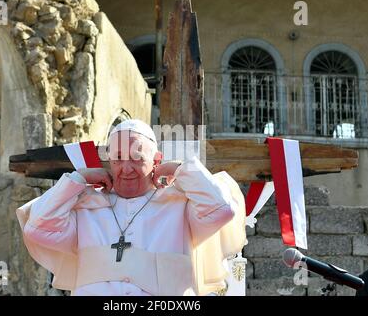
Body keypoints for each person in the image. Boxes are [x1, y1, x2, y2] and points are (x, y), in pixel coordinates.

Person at [16, 119, 246, 296]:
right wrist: (78, 178)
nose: (126, 168)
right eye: (117, 158)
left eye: (137, 158)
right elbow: (37, 229)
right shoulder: (86, 206)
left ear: (156, 160)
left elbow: (222, 209)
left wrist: (179, 169)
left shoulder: (179, 206)